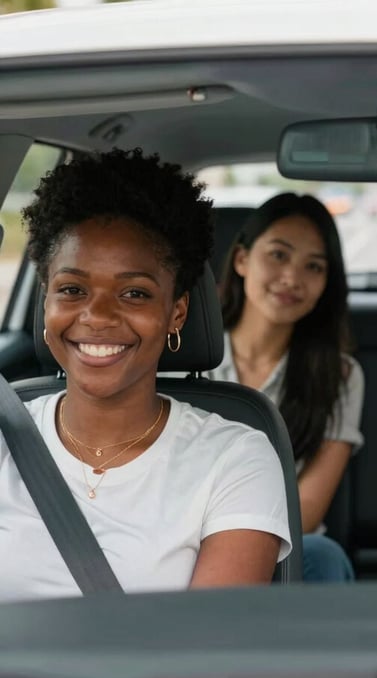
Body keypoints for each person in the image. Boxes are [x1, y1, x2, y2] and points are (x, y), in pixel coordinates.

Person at [3, 147, 291, 602]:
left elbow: (203, 652)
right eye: (72, 290)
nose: (96, 316)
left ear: (176, 313)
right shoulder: (5, 435)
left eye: (134, 293)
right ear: (47, 302)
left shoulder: (236, 458)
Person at [211, 192, 363, 582]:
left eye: (313, 266)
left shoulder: (341, 375)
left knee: (321, 555)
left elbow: (307, 512)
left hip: (287, 546)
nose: (292, 278)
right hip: (181, 534)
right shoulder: (179, 358)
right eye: (278, 255)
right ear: (242, 260)